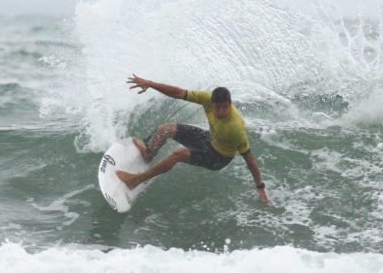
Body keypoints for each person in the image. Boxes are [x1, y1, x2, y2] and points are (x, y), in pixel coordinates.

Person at [115, 74, 270, 203]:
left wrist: (260, 187)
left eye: (225, 107)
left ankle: (135, 180)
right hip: (210, 139)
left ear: (230, 104)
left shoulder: (235, 128)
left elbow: (250, 159)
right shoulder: (206, 98)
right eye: (217, 107)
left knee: (178, 154)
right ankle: (148, 153)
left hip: (219, 158)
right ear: (212, 103)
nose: (221, 111)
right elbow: (178, 93)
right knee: (166, 129)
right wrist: (151, 83)